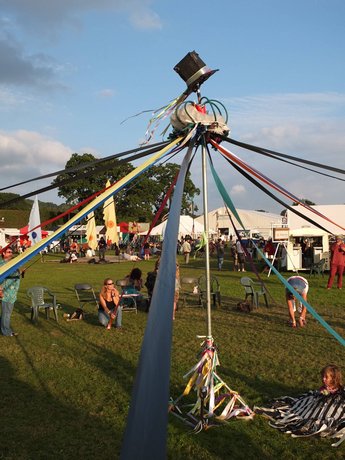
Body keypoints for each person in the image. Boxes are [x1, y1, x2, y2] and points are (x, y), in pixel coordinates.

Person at [0, 247, 24, 337]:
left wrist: (21, 272)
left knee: (7, 313)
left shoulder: (11, 263)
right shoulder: (2, 264)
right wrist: (0, 291)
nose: (11, 254)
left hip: (12, 293)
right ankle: (6, 331)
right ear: (3, 254)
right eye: (9, 252)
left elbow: (14, 274)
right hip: (6, 293)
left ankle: (5, 329)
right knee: (6, 314)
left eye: (11, 252)